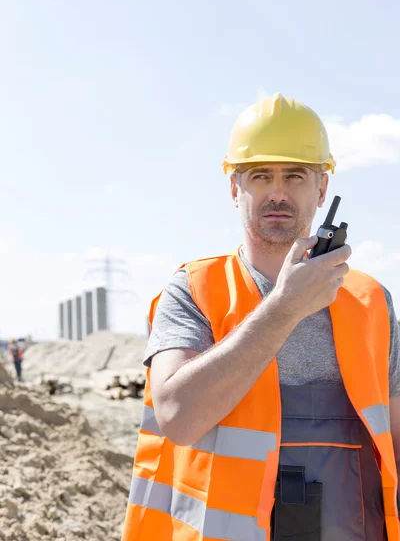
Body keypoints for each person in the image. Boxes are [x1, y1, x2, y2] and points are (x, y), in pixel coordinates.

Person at [122, 93, 400, 541]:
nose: (277, 192)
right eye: (259, 176)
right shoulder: (194, 290)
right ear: (235, 188)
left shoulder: (371, 301)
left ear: (322, 188)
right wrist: (284, 307)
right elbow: (178, 417)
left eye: (295, 176)